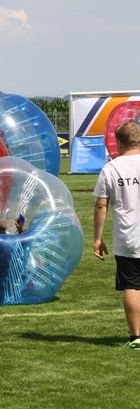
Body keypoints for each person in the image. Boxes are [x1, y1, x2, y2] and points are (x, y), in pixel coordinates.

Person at [93, 120, 140, 350]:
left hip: (128, 237)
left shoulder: (112, 168)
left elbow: (102, 205)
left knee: (131, 285)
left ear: (119, 142)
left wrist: (98, 238)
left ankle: (136, 336)